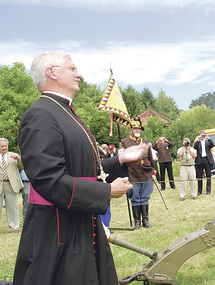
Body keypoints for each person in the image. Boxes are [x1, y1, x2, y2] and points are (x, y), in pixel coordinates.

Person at [14, 51, 150, 285]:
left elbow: (82, 169)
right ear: (52, 72)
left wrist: (120, 160)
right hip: (57, 230)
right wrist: (106, 192)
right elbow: (49, 180)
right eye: (72, 69)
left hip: (77, 220)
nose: (79, 74)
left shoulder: (63, 111)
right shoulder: (41, 115)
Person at [121, 116, 155, 229]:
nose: (137, 130)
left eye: (139, 129)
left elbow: (150, 157)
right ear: (130, 130)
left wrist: (154, 172)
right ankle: (137, 222)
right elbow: (122, 161)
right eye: (135, 128)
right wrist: (124, 176)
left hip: (146, 172)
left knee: (145, 196)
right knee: (135, 197)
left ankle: (145, 220)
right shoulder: (124, 142)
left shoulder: (145, 142)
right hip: (132, 173)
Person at [0, 138, 23, 233]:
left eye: (5, 146)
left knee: (12, 207)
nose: (4, 148)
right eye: (2, 146)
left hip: (11, 184)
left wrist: (19, 160)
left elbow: (22, 168)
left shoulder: (14, 156)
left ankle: (14, 227)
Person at [193, 130, 215, 195]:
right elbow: (195, 147)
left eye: (203, 135)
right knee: (199, 176)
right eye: (201, 135)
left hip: (207, 159)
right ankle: (199, 191)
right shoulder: (198, 142)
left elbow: (212, 145)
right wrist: (198, 139)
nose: (202, 136)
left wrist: (208, 138)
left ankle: (208, 190)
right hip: (200, 160)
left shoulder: (207, 141)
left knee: (208, 175)